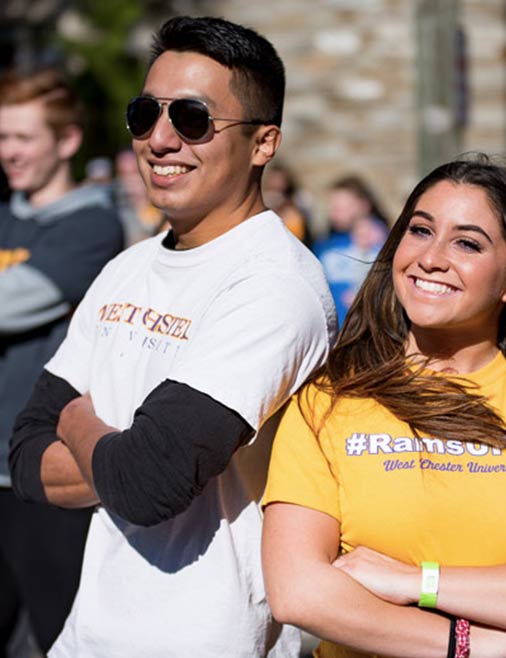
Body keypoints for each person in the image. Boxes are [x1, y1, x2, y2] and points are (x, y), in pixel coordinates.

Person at [9, 16, 336, 658]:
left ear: (263, 142)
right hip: (87, 636)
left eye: (192, 118)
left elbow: (149, 482)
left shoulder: (274, 286)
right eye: (144, 114)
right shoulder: (127, 267)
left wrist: (76, 421)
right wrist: (121, 452)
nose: (159, 140)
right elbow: (22, 455)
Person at [262, 158, 506, 658]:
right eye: (420, 231)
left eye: (467, 243)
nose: (431, 258)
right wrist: (466, 643)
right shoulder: (329, 402)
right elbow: (299, 592)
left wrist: (416, 582)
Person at [0, 67, 123, 656]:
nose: (9, 152)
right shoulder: (6, 215)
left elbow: (9, 302)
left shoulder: (93, 226)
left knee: (57, 634)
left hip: (43, 473)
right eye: (2, 137)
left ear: (68, 141)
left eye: (23, 138)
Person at [313, 175, 389, 327]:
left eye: (341, 207)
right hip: (333, 328)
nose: (334, 212)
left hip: (368, 328)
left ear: (364, 205)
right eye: (332, 207)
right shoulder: (325, 245)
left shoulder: (380, 240)